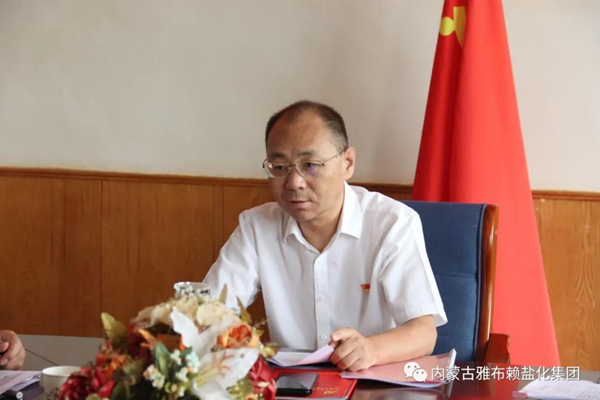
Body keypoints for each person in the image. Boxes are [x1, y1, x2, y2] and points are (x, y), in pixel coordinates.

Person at [204, 100, 446, 371]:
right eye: (280, 167)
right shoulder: (256, 227)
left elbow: (424, 333)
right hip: (292, 383)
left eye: (310, 165)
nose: (294, 182)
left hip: (370, 381)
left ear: (347, 163)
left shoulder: (391, 224)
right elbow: (208, 313)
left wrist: (372, 349)